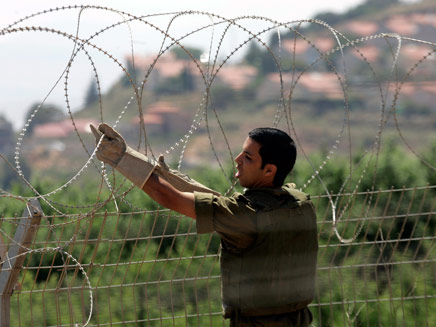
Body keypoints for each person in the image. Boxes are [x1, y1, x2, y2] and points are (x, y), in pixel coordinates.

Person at [91, 123, 318, 327]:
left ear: (269, 170)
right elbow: (224, 204)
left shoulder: (245, 215)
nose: (237, 159)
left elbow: (169, 197)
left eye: (248, 157)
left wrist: (121, 158)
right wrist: (172, 178)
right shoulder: (301, 204)